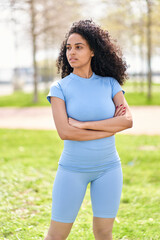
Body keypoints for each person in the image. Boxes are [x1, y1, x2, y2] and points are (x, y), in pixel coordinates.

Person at [44, 19, 133, 240]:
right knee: (57, 235)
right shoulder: (59, 88)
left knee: (104, 233)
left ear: (93, 50)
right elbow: (65, 132)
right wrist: (108, 129)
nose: (71, 52)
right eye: (68, 47)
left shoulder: (111, 84)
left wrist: (85, 125)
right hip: (72, 171)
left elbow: (127, 120)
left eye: (79, 46)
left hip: (109, 169)